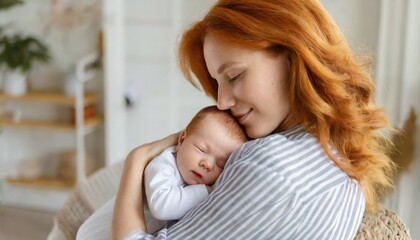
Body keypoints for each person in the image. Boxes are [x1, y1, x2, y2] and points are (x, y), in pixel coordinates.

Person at [112, 0, 396, 239]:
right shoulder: (336, 160)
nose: (221, 101)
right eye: (217, 82)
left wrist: (136, 159)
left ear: (292, 55)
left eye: (234, 75)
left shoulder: (272, 169)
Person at [76, 106, 247, 239]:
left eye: (220, 164)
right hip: (98, 234)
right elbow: (163, 206)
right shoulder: (164, 164)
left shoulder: (191, 176)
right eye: (201, 149)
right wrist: (206, 192)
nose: (207, 164)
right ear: (181, 139)